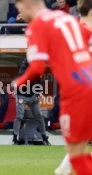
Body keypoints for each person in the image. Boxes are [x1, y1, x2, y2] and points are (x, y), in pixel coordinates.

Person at [13, 0, 92, 174]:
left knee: (77, 154)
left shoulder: (37, 25)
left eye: (18, 5)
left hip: (76, 89)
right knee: (78, 149)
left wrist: (16, 83)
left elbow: (37, 68)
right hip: (89, 81)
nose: (17, 11)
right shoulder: (66, 17)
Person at [55, 0, 92, 174]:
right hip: (82, 91)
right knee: (81, 140)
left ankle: (65, 168)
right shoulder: (79, 31)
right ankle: (66, 168)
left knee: (83, 140)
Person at [12, 58, 50, 145]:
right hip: (21, 94)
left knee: (39, 115)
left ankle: (44, 138)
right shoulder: (24, 64)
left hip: (32, 95)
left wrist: (39, 92)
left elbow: (38, 80)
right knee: (19, 116)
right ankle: (14, 138)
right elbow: (23, 75)